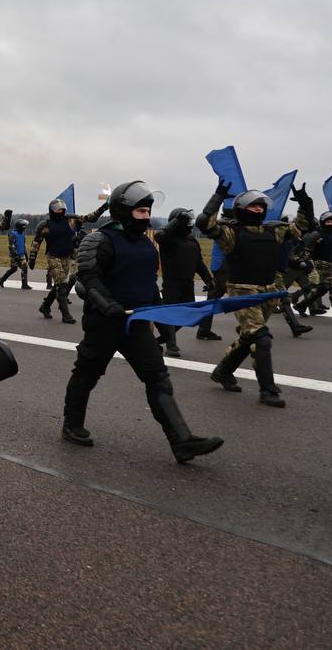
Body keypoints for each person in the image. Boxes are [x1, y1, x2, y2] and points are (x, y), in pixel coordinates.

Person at [63, 181, 223, 462]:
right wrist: (108, 305)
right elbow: (88, 279)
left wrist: (164, 321)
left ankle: (181, 441)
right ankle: (71, 425)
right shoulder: (99, 239)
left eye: (148, 211)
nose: (146, 216)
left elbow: (150, 288)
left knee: (158, 377)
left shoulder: (148, 245)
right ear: (123, 211)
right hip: (104, 324)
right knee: (87, 374)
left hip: (137, 324)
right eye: (140, 211)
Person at [198, 183, 311, 408]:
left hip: (268, 291)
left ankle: (223, 371)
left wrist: (305, 202)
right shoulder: (231, 232)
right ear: (241, 208)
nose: (258, 210)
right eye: (253, 206)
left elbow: (303, 226)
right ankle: (268, 390)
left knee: (250, 336)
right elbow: (205, 223)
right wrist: (218, 196)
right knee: (262, 338)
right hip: (242, 292)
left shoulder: (274, 231)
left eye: (261, 207)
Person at [29, 197, 109, 324]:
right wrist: (32, 259)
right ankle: (66, 315)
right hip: (53, 257)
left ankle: (45, 306)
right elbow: (36, 243)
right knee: (61, 284)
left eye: (62, 208)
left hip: (68, 256)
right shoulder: (44, 225)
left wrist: (103, 208)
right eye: (57, 209)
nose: (60, 211)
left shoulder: (71, 219)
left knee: (61, 284)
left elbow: (90, 218)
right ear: (51, 210)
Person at [150, 208, 215, 357]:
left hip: (188, 283)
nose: (190, 224)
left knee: (187, 315)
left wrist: (208, 279)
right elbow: (159, 236)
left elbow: (198, 262)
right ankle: (172, 346)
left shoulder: (192, 239)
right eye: (186, 221)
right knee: (171, 315)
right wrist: (176, 220)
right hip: (172, 284)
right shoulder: (168, 239)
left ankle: (158, 341)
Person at [0, 219, 32, 289]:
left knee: (24, 268)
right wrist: (16, 255)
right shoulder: (13, 234)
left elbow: (23, 245)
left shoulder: (22, 234)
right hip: (15, 255)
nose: (24, 228)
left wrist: (26, 254)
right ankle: (2, 279)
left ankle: (24, 284)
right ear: (20, 227)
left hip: (21, 254)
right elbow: (11, 246)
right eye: (23, 226)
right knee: (14, 269)